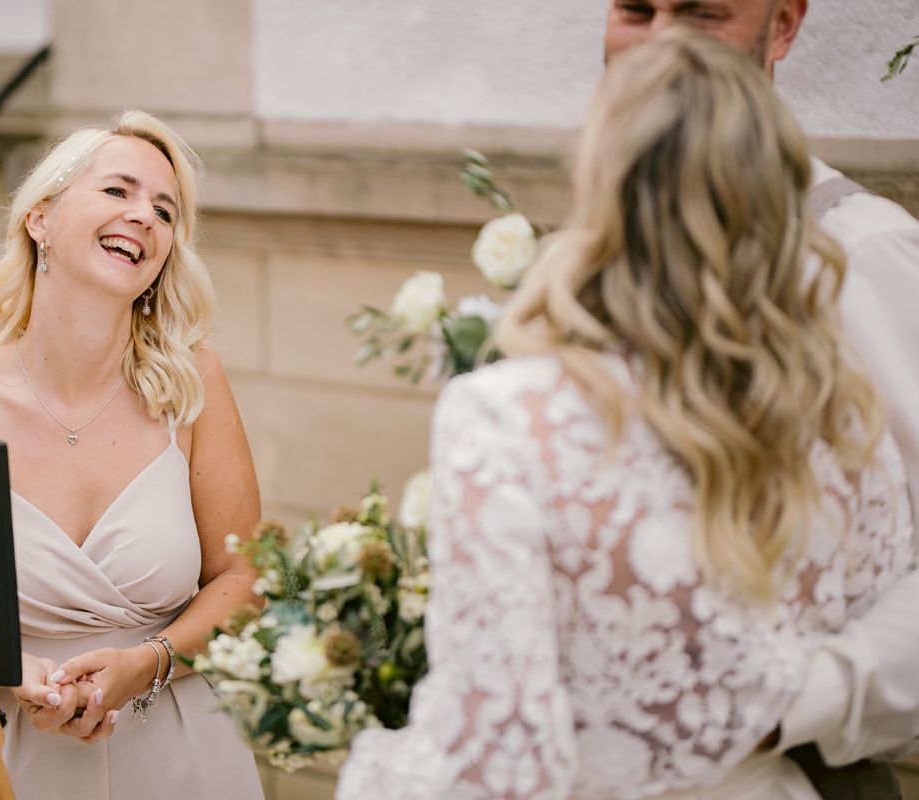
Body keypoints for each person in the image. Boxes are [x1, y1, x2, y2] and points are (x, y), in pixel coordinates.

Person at [336, 30, 915, 800]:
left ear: (600, 180)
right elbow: (880, 615)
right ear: (778, 194)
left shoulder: (508, 418)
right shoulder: (836, 416)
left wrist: (373, 774)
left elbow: (501, 769)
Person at [606, 3, 919, 794]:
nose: (661, 44)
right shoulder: (595, 253)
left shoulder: (860, 252)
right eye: (635, 10)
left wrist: (788, 705)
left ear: (782, 25)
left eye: (702, 12)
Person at [0, 110, 265, 798]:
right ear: (39, 219)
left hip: (181, 748)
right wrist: (12, 672)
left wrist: (147, 662)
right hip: (8, 753)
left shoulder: (194, 386)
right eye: (118, 191)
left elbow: (244, 577)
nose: (144, 216)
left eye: (164, 210)